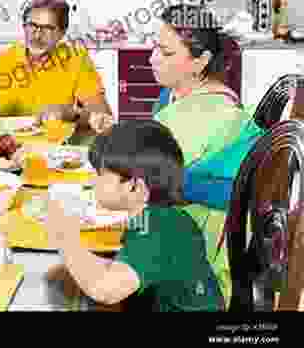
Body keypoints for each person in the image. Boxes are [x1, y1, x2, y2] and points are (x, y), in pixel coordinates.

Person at [45, 120, 225, 311]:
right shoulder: (155, 217)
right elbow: (119, 268)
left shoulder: (160, 228)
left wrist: (64, 234)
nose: (92, 180)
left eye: (99, 173)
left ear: (134, 187)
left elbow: (106, 289)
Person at [148, 4, 257, 306]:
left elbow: (239, 191)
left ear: (200, 61)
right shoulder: (175, 93)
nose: (152, 58)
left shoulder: (212, 116)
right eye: (154, 46)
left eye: (166, 53)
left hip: (201, 269)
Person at [0, 0, 114, 134]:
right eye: (32, 25)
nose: (38, 35)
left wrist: (69, 113)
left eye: (47, 28)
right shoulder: (0, 62)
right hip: (11, 150)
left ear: (62, 33)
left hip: (60, 149)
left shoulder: (76, 59)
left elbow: (103, 116)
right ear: (24, 26)